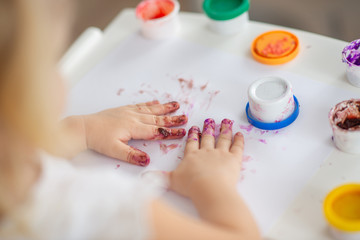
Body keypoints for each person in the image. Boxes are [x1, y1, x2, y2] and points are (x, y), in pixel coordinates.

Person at [0, 0, 260, 239]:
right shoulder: (93, 207)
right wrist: (208, 181)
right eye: (50, 59)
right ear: (18, 95)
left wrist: (81, 130)